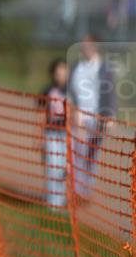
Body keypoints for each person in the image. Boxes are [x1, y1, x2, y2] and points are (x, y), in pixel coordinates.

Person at [67, 34, 116, 201]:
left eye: (87, 44)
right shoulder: (76, 67)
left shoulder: (104, 69)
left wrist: (110, 116)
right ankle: (76, 189)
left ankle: (86, 190)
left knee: (92, 154)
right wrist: (73, 110)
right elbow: (70, 91)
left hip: (96, 118)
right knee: (77, 152)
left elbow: (110, 94)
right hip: (78, 116)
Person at [40, 59, 70, 208]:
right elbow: (39, 113)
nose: (60, 75)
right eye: (57, 72)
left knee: (64, 169)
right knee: (52, 167)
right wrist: (38, 136)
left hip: (66, 136)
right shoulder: (47, 90)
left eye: (63, 72)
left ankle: (60, 200)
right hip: (51, 133)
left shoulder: (73, 92)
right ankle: (52, 202)